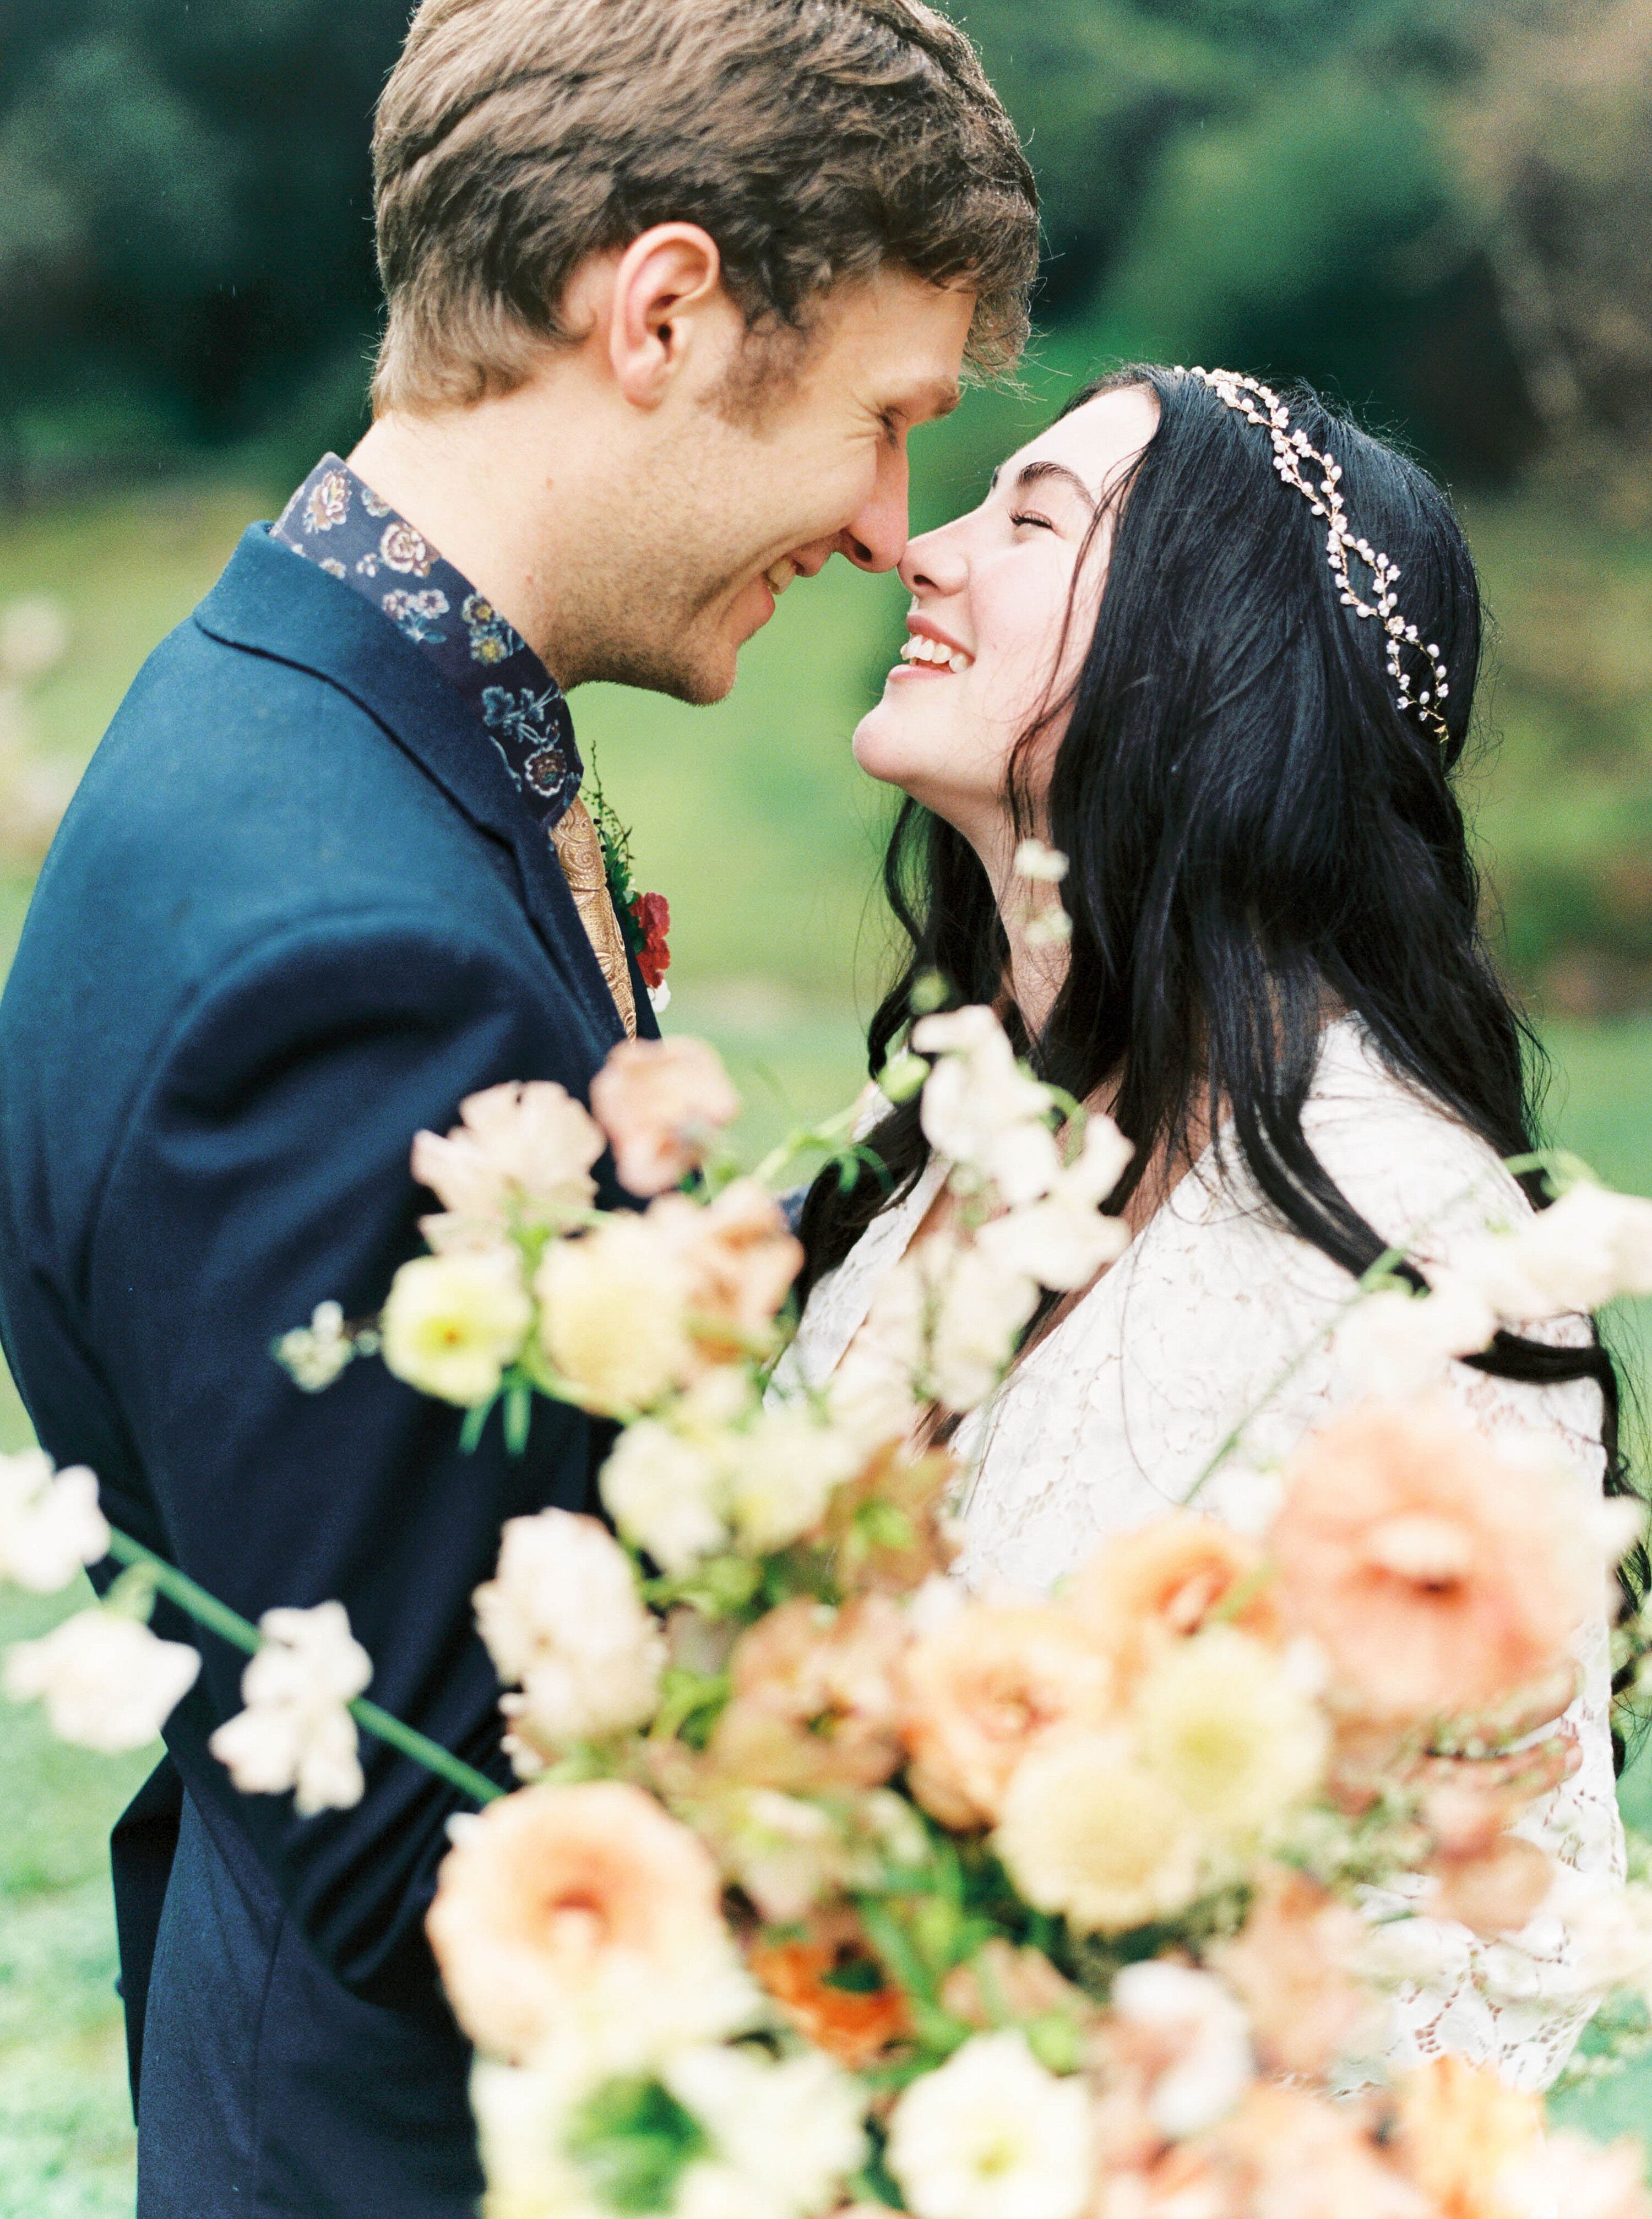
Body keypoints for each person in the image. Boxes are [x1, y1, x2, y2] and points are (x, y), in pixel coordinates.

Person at [0, 3, 1037, 2213]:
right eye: (882, 419)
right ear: (659, 310)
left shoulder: (325, 718)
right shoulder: (340, 950)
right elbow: (437, 1842)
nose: (886, 525)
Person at [790, 366, 1634, 2089]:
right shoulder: (943, 1147)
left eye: (1029, 519)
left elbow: (1477, 1963)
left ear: (1213, 654)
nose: (924, 551)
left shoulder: (1404, 1255)